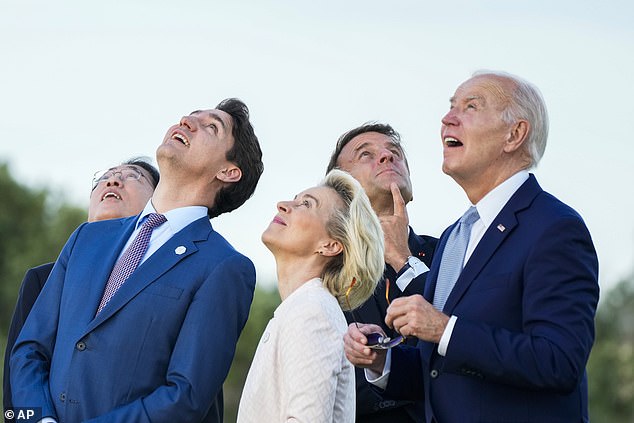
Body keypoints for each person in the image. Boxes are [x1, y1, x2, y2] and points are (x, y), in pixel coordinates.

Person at [344, 71, 600, 423]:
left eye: (470, 107)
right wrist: (381, 360)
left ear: (515, 134)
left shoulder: (554, 228)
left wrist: (445, 329)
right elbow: (434, 371)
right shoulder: (455, 236)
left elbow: (559, 361)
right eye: (451, 107)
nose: (447, 118)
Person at [10, 98, 264, 423]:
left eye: (211, 126)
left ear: (228, 171)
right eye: (192, 115)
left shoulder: (224, 268)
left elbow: (185, 397)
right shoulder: (86, 239)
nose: (188, 120)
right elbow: (30, 349)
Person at [2, 156, 159, 415]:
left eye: (132, 175)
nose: (113, 180)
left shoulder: (171, 274)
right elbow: (18, 382)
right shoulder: (42, 280)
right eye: (104, 177)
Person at [237, 169, 384, 423]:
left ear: (331, 245)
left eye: (306, 204)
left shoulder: (313, 312)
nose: (283, 205)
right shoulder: (301, 308)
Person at [327, 123, 437, 422]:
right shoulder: (325, 275)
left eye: (395, 152)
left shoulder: (452, 251)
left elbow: (462, 334)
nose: (388, 157)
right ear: (342, 188)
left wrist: (403, 259)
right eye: (366, 155)